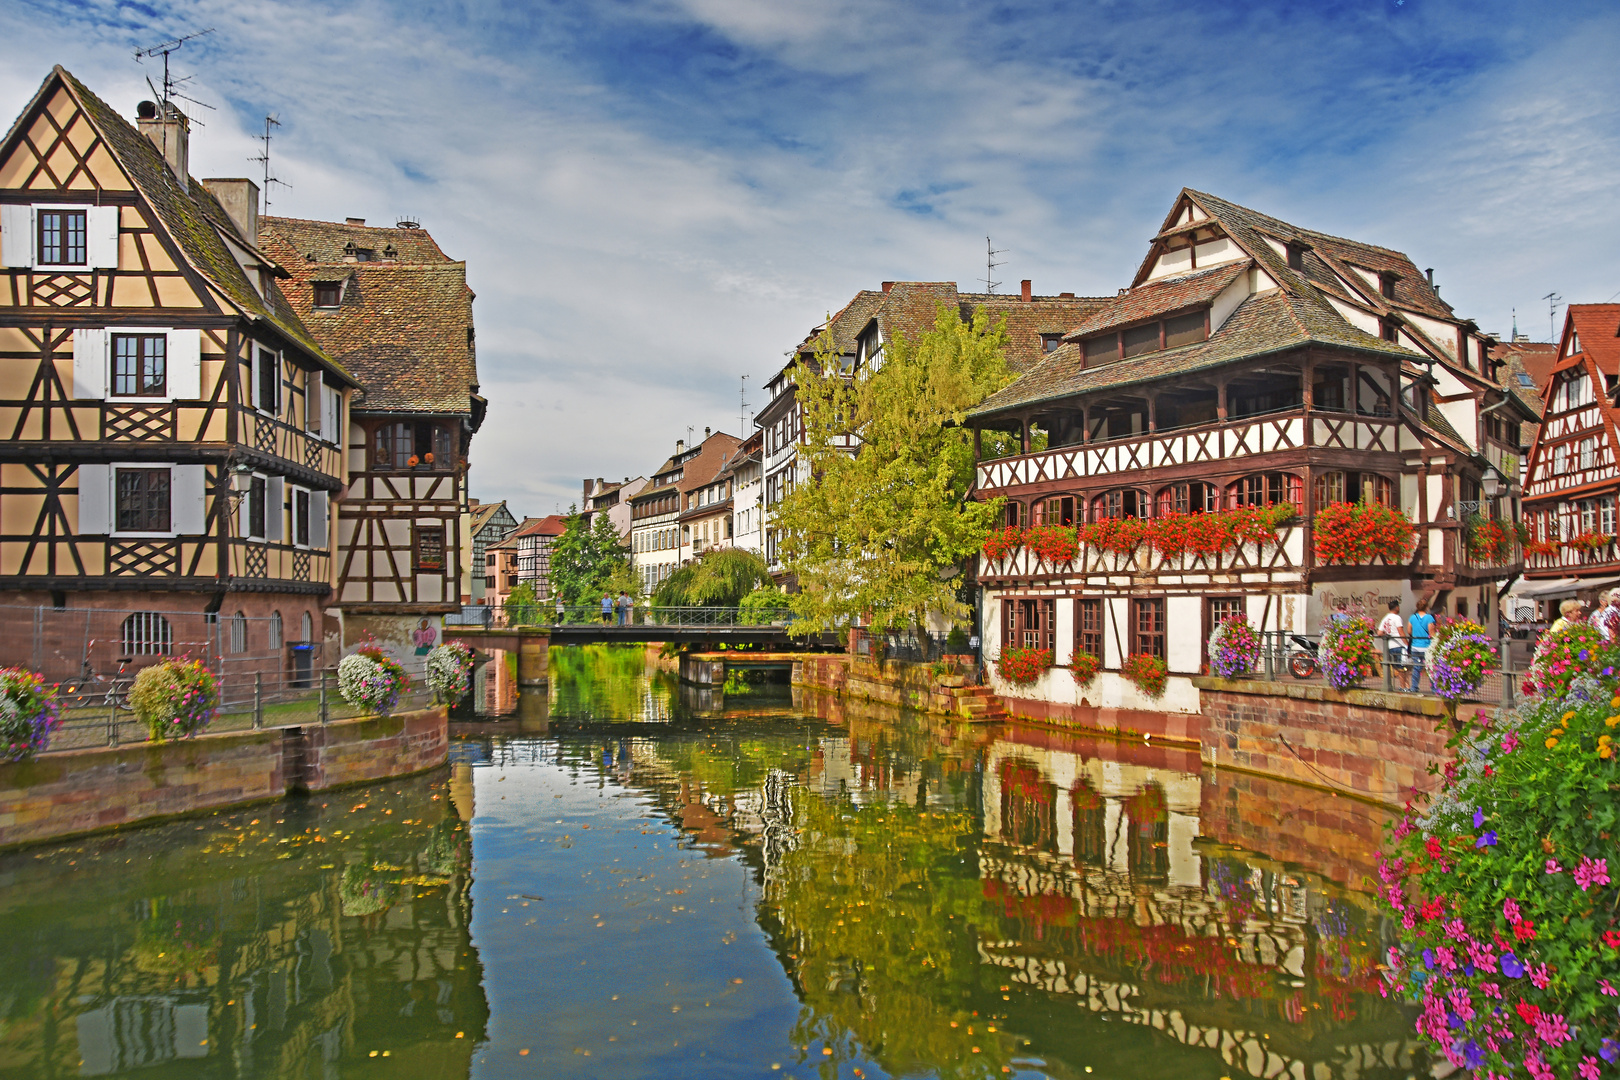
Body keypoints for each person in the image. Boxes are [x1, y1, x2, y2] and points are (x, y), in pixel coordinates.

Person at [1407, 599, 1436, 693]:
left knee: (1416, 667)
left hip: (1415, 646)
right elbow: (1431, 633)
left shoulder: (1412, 617)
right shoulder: (1429, 618)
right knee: (1430, 667)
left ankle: (1414, 687)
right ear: (1427, 607)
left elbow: (1409, 631)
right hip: (1426, 646)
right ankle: (1434, 689)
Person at [1376, 600, 1406, 678]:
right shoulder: (1397, 618)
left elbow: (1379, 633)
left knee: (1396, 667)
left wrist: (1387, 634)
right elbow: (1401, 631)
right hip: (1399, 645)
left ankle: (1403, 686)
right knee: (1402, 668)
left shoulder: (1385, 618)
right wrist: (1406, 643)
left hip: (1390, 646)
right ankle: (1404, 687)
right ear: (1397, 607)